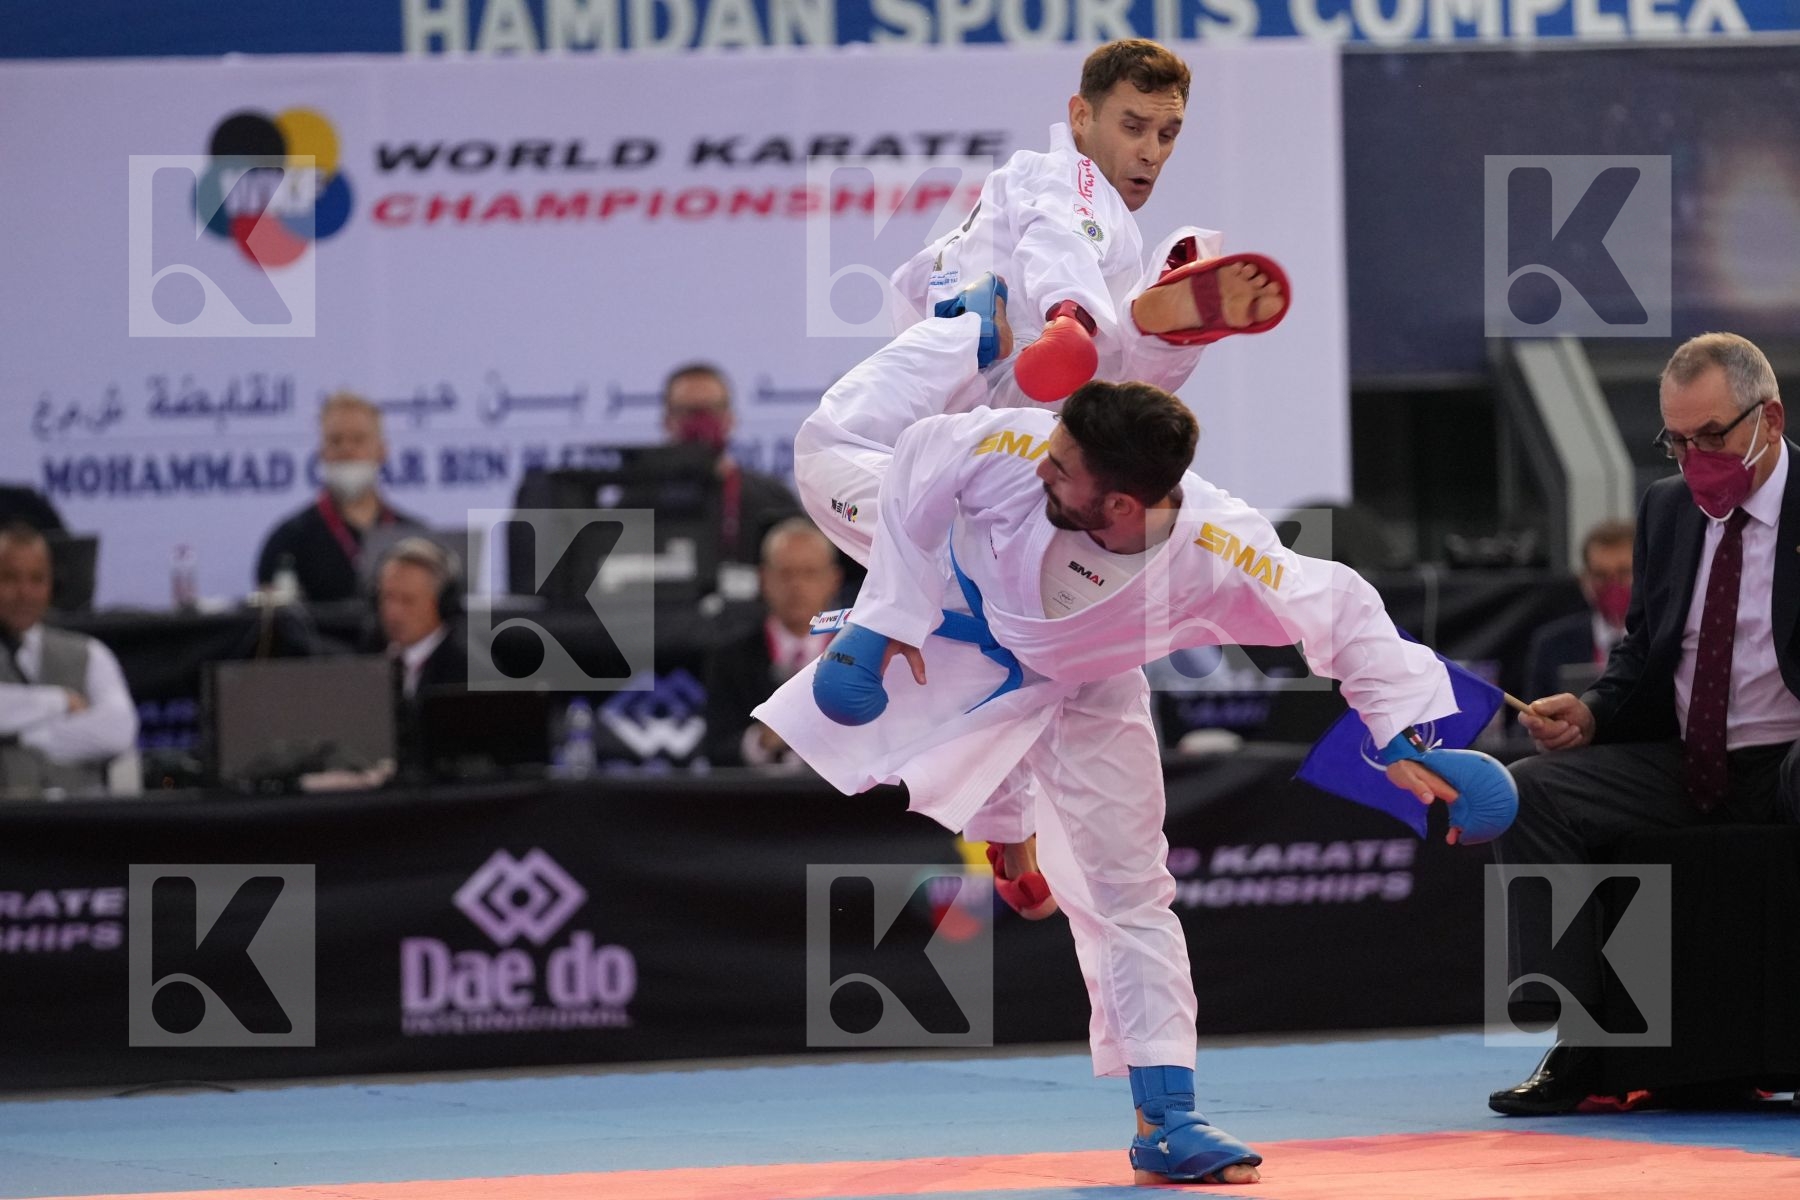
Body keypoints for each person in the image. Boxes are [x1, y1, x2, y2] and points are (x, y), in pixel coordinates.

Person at [756, 291, 1510, 1185]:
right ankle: (965, 326)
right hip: (946, 585)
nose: (1045, 459)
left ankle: (1169, 1120)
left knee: (1131, 891)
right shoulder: (1016, 446)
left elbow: (1342, 609)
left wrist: (1407, 736)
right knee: (825, 448)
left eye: (1064, 466)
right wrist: (881, 624)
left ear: (1119, 502)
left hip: (1083, 676)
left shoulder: (1221, 553)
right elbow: (922, 456)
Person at [1492, 332, 1800, 1116]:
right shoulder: (1668, 508)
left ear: (1770, 417)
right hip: (1689, 759)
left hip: (1790, 754)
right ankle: (1584, 1040)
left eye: (1711, 436)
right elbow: (1641, 652)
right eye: (1678, 440)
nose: (1694, 457)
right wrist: (1591, 714)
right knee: (1530, 793)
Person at [888, 38, 1288, 406]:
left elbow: (907, 287)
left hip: (950, 409)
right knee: (1113, 387)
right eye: (1133, 128)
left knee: (1121, 391)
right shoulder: (1069, 176)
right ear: (1080, 116)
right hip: (1028, 381)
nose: (1151, 152)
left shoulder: (1002, 199)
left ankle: (1157, 332)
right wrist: (1069, 316)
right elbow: (1058, 236)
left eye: (1167, 134)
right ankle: (1157, 334)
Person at [0, 523, 138, 797]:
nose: (24, 592)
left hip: (78, 824)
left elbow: (119, 730)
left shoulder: (89, 653)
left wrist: (22, 736)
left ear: (52, 585)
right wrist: (60, 701)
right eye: (9, 578)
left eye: (37, 579)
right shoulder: (61, 696)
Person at [702, 518, 843, 767]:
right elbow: (714, 748)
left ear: (833, 580)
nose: (797, 586)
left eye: (809, 573)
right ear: (764, 579)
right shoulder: (730, 658)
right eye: (786, 574)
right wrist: (760, 741)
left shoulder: (864, 654)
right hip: (761, 800)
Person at [256, 392, 422, 602]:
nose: (347, 450)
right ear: (321, 452)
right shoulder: (288, 541)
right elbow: (272, 625)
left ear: (382, 450)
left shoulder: (415, 538)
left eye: (358, 439)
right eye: (335, 440)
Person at [662, 363, 801, 565]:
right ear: (667, 421)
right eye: (688, 412)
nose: (701, 422)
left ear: (730, 419)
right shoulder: (639, 500)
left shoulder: (773, 499)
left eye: (711, 410)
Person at [1524, 519, 1636, 704]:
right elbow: (1532, 721)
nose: (1613, 586)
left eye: (1624, 573)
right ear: (1584, 580)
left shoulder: (1665, 640)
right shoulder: (1552, 645)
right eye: (1601, 575)